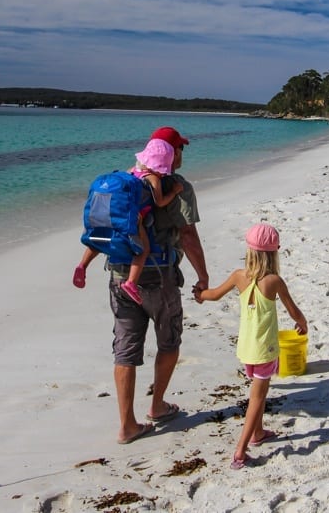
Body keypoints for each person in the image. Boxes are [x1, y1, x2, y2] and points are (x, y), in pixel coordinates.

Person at [108, 125, 209, 444]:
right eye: (180, 148)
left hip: (121, 275)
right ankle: (157, 405)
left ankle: (127, 425)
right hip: (159, 276)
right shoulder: (177, 185)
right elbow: (188, 236)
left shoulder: (126, 180)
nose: (182, 154)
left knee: (124, 349)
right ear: (171, 152)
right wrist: (203, 277)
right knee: (169, 341)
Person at [195, 223, 307, 470]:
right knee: (258, 397)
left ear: (250, 251)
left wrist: (199, 294)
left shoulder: (238, 276)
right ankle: (240, 451)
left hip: (245, 348)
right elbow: (293, 310)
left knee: (256, 390)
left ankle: (258, 433)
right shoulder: (274, 281)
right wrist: (303, 323)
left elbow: (213, 295)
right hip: (264, 349)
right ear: (273, 253)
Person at [72, 139, 183, 305]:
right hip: (136, 220)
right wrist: (174, 192)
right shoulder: (154, 179)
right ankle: (131, 281)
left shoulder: (131, 171)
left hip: (116, 215)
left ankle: (82, 265)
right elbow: (160, 202)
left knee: (99, 241)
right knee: (142, 250)